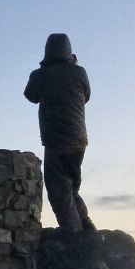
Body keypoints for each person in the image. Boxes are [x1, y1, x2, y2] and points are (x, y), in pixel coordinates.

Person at [24, 33, 95, 232]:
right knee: (71, 186)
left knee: (58, 190)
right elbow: (86, 96)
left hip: (56, 140)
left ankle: (73, 234)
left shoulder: (41, 75)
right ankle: (86, 226)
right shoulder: (79, 72)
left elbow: (30, 95)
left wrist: (44, 69)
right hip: (79, 139)